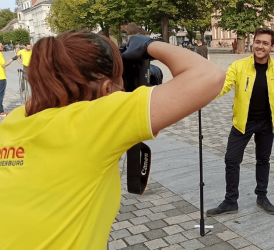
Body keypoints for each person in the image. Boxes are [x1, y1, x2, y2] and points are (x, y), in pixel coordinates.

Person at [0, 31, 225, 249]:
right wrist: (148, 45)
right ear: (107, 89)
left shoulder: (15, 119)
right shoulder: (91, 121)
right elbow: (210, 75)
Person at [206, 28, 274, 216]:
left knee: (263, 160)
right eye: (258, 42)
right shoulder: (238, 66)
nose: (260, 46)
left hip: (267, 122)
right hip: (243, 122)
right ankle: (230, 201)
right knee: (231, 160)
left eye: (265, 43)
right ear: (253, 42)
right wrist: (205, 95)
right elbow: (224, 85)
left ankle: (262, 196)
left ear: (272, 47)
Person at [0, 43, 16, 117]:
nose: (2, 47)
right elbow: (4, 64)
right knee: (0, 95)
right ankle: (1, 112)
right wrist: (12, 59)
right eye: (0, 46)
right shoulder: (0, 54)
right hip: (1, 78)